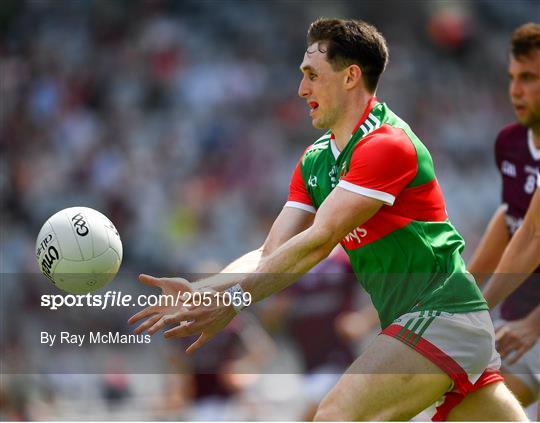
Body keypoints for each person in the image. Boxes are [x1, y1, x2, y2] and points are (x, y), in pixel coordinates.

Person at [129, 18, 527, 421]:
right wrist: (209, 289)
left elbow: (321, 239)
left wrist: (233, 301)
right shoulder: (315, 161)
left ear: (351, 76)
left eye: (312, 76)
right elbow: (271, 253)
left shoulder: (386, 145)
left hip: (443, 313)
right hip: (435, 323)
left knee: (335, 414)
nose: (302, 89)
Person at [468, 22, 540, 419]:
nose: (516, 89)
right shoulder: (510, 143)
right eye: (513, 77)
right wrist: (466, 299)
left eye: (529, 78)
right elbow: (512, 220)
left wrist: (534, 323)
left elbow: (532, 236)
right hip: (522, 323)